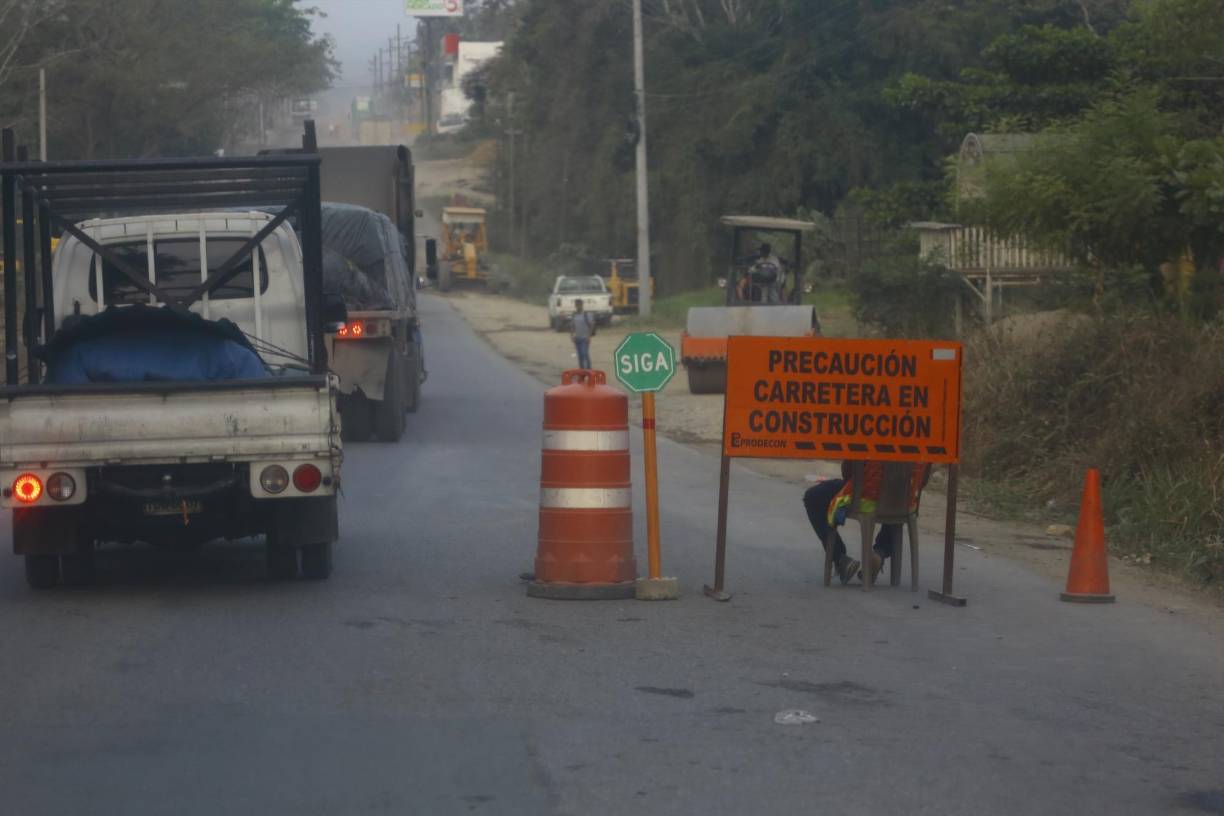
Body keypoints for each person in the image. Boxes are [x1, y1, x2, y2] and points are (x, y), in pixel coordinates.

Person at [803, 461, 931, 584]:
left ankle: (840, 559)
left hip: (866, 498)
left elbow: (849, 471)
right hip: (905, 501)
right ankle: (880, 552)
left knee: (813, 497)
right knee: (895, 494)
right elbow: (923, 480)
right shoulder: (924, 440)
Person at [570, 298, 595, 369]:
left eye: (579, 305)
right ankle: (582, 371)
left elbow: (591, 325)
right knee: (580, 356)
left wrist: (589, 336)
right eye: (576, 305)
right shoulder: (574, 315)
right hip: (577, 338)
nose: (577, 306)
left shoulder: (586, 314)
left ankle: (589, 369)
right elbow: (572, 326)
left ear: (582, 305)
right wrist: (572, 336)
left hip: (585, 338)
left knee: (584, 354)